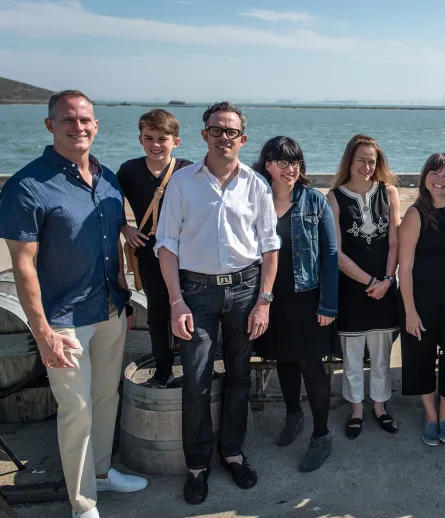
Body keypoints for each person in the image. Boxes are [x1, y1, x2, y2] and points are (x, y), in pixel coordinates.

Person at [0, 90, 147, 518]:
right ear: (50, 125)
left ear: (96, 126)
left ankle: (101, 475)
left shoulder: (107, 179)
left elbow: (115, 242)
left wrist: (123, 293)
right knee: (76, 412)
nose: (77, 127)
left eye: (85, 120)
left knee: (104, 400)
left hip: (108, 308)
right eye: (67, 119)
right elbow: (23, 266)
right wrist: (43, 332)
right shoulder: (28, 186)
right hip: (62, 320)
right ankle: (83, 504)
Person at [155, 102, 280, 505]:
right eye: (216, 129)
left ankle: (232, 452)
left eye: (231, 131)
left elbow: (270, 246)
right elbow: (166, 245)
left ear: (243, 139)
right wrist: (176, 302)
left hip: (245, 292)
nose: (224, 137)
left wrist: (264, 301)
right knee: (195, 381)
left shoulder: (256, 184)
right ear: (204, 134)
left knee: (241, 376)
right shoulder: (182, 182)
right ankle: (197, 465)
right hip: (196, 294)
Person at [252, 136, 338, 472]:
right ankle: (293, 416)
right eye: (283, 162)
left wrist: (328, 305)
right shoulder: (256, 200)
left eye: (296, 162)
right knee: (282, 361)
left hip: (308, 298)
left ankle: (321, 435)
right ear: (268, 165)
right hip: (271, 298)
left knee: (311, 366)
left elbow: (330, 255)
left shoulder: (314, 200)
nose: (291, 169)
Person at [326, 134, 401, 439]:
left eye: (372, 160)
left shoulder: (389, 192)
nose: (367, 166)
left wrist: (386, 280)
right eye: (361, 159)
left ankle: (380, 407)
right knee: (353, 355)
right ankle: (356, 409)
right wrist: (369, 281)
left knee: (382, 355)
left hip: (384, 287)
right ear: (350, 160)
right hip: (352, 290)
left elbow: (394, 241)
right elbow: (336, 251)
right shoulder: (334, 197)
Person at [117, 108, 193, 388]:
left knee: (189, 309)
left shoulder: (188, 169)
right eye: (149, 138)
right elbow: (110, 204)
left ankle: (191, 367)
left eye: (163, 138)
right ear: (140, 139)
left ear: (176, 141)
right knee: (158, 313)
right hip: (148, 250)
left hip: (185, 252)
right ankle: (163, 369)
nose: (156, 144)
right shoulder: (129, 170)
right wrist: (126, 228)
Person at [398, 153, 445, 446]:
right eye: (434, 174)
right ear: (424, 176)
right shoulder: (415, 215)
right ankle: (429, 415)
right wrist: (410, 311)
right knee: (420, 358)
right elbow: (406, 266)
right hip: (422, 302)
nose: (440, 181)